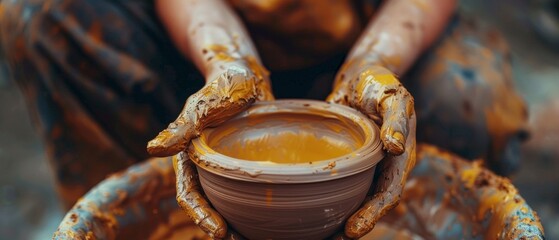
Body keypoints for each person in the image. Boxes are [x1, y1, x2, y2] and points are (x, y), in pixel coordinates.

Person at [0, 0, 527, 238]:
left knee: (470, 100)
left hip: (378, 29)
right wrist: (227, 59)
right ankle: (150, 215)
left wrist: (378, 60)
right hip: (205, 42)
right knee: (38, 13)